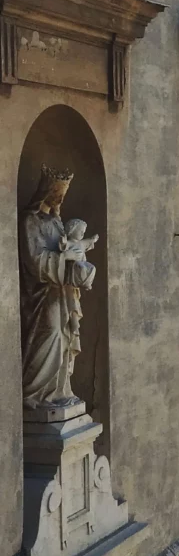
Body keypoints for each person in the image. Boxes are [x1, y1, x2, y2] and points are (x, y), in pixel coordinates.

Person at [19, 164, 97, 410]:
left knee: (64, 337)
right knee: (51, 333)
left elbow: (68, 247)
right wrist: (67, 259)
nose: (59, 199)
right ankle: (37, 395)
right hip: (42, 295)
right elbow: (35, 260)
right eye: (56, 193)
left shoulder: (56, 222)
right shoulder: (30, 220)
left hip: (62, 292)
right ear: (46, 191)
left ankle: (60, 392)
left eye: (62, 195)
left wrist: (77, 261)